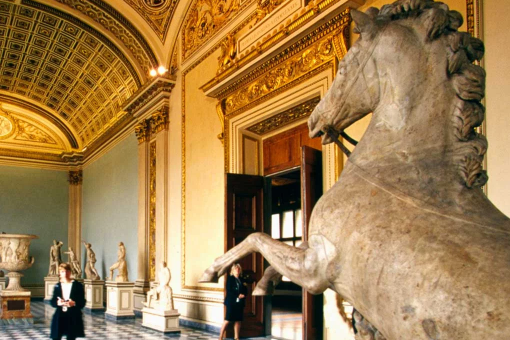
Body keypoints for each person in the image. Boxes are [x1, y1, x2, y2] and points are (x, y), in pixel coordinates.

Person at [50, 263, 86, 340]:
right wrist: (58, 303)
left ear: (70, 272)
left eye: (67, 271)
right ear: (59, 273)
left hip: (73, 316)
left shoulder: (78, 286)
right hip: (60, 316)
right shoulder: (58, 286)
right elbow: (52, 301)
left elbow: (82, 302)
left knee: (71, 337)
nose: (65, 273)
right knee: (56, 337)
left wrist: (74, 303)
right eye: (63, 271)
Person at [219, 263, 247, 340]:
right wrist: (237, 295)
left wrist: (243, 295)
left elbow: (245, 289)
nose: (237, 270)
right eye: (235, 269)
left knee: (238, 320)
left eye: (238, 269)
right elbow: (229, 290)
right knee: (228, 319)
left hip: (240, 303)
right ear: (232, 270)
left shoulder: (241, 279)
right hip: (231, 302)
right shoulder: (230, 279)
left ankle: (236, 337)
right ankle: (221, 336)